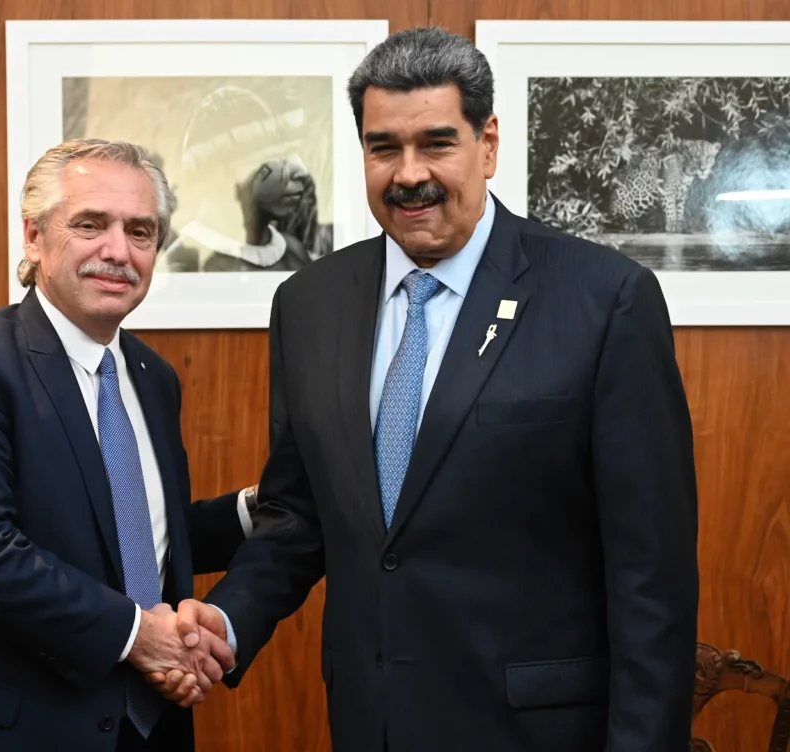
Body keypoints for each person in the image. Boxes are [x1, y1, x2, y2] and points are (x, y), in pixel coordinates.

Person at [161, 26, 700, 752]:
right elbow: (299, 515)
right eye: (384, 147)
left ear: (489, 144)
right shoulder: (309, 303)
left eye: (437, 143)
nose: (408, 173)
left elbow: (652, 576)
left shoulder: (604, 299)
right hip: (369, 723)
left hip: (538, 732)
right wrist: (226, 621)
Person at [0, 139, 257, 752]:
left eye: (141, 231)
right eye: (90, 224)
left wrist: (254, 512)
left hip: (140, 728)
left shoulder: (154, 379)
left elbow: (126, 537)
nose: (117, 251)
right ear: (34, 237)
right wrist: (138, 635)